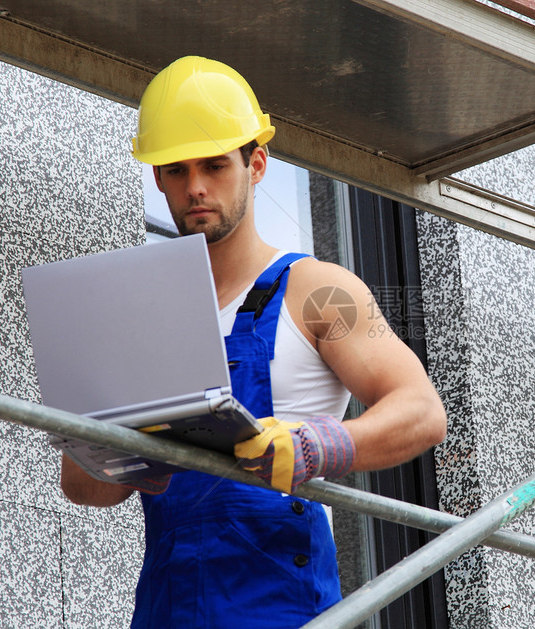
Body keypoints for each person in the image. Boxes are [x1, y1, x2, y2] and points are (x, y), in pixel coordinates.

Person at [59, 55, 447, 628]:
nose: (194, 188)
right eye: (174, 170)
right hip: (169, 607)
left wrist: (317, 446)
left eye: (215, 165)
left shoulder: (316, 290)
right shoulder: (143, 317)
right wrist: (129, 454)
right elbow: (82, 487)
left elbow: (422, 412)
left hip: (283, 608)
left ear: (257, 164)